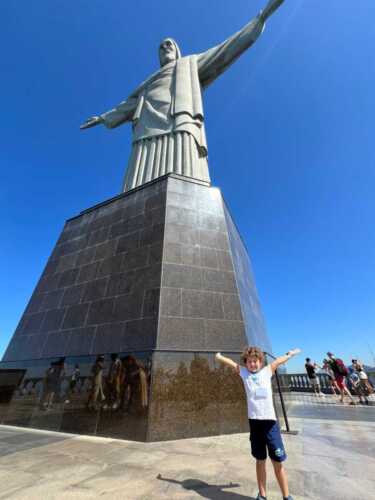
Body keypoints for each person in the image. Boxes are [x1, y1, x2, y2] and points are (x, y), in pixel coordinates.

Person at [80, 0, 286, 192]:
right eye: (161, 47)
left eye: (169, 44)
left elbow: (224, 51)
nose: (164, 48)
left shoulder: (189, 64)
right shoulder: (147, 83)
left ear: (177, 51)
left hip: (179, 120)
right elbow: (128, 106)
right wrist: (103, 118)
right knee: (138, 179)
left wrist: (261, 17)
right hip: (146, 127)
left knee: (185, 173)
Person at [216, 346, 301, 500]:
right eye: (249, 362)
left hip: (270, 424)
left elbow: (279, 361)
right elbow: (232, 364)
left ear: (260, 362)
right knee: (260, 460)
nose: (252, 364)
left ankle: (286, 496)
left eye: (255, 361)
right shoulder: (244, 373)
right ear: (246, 363)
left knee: (277, 461)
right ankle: (262, 494)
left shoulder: (267, 371)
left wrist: (291, 354)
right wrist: (220, 357)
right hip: (255, 424)